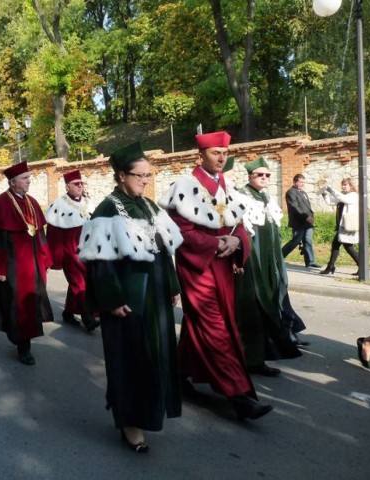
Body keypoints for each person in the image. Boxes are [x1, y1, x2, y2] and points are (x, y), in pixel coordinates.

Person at [159, 130, 273, 421]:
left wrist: (237, 242)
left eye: (224, 152)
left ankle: (181, 373)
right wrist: (217, 243)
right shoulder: (185, 186)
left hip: (222, 266)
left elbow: (238, 226)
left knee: (201, 323)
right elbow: (181, 234)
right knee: (215, 327)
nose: (221, 157)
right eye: (215, 152)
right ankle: (239, 396)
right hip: (198, 268)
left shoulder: (226, 184)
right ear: (200, 156)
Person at [78, 142, 183, 453]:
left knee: (155, 359)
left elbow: (164, 252)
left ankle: (148, 414)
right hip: (127, 301)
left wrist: (173, 285)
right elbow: (99, 262)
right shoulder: (107, 208)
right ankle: (130, 425)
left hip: (156, 298)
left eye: (148, 175)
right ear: (121, 176)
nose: (145, 180)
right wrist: (111, 298)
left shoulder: (150, 206)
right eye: (139, 175)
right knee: (130, 362)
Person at [235, 158, 303, 376]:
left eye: (267, 175)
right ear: (250, 176)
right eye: (259, 175)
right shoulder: (241, 196)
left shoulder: (266, 197)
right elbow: (239, 232)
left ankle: (265, 353)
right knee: (254, 308)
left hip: (270, 260)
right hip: (253, 262)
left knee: (274, 300)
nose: (264, 178)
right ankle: (250, 359)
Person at [0, 162, 53, 366]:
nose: (29, 181)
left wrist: (45, 257)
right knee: (16, 305)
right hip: (13, 265)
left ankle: (25, 342)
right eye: (25, 178)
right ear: (13, 182)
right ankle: (22, 344)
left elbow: (40, 233)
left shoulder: (31, 201)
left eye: (29, 178)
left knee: (31, 304)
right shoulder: (0, 204)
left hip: (33, 264)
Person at [46, 169, 99, 332]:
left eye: (81, 183)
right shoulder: (59, 204)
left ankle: (68, 313)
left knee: (86, 282)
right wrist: (53, 258)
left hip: (89, 251)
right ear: (67, 186)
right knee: (78, 283)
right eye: (76, 184)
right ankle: (88, 317)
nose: (80, 186)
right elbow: (53, 235)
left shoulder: (88, 201)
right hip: (71, 252)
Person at [319, 178, 360, 275]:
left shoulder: (353, 195)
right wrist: (324, 193)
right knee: (338, 245)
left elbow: (341, 198)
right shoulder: (343, 195)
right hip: (341, 226)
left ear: (351, 186)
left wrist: (330, 189)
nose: (343, 186)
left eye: (345, 185)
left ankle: (331, 266)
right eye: (342, 184)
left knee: (347, 246)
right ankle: (331, 266)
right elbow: (330, 202)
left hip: (348, 226)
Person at [281, 174, 322, 268]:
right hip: (299, 222)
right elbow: (295, 207)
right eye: (301, 182)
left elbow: (307, 207)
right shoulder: (291, 192)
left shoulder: (303, 192)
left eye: (304, 182)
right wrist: (305, 217)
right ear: (295, 182)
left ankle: (310, 261)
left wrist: (311, 217)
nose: (303, 184)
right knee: (295, 241)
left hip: (308, 222)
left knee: (308, 241)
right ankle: (279, 257)